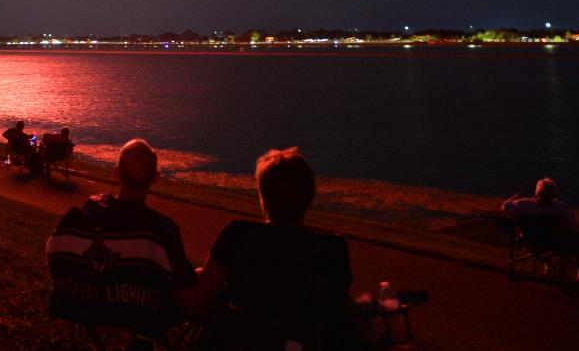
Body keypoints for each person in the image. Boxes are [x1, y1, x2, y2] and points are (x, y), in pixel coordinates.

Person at [191, 147, 356, 350]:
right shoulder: (332, 250)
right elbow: (338, 309)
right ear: (309, 197)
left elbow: (200, 298)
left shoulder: (238, 235)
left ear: (263, 197)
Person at [46, 139, 201, 337]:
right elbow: (187, 299)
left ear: (116, 173)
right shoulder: (162, 229)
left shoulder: (89, 210)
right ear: (155, 178)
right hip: (141, 313)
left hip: (83, 306)